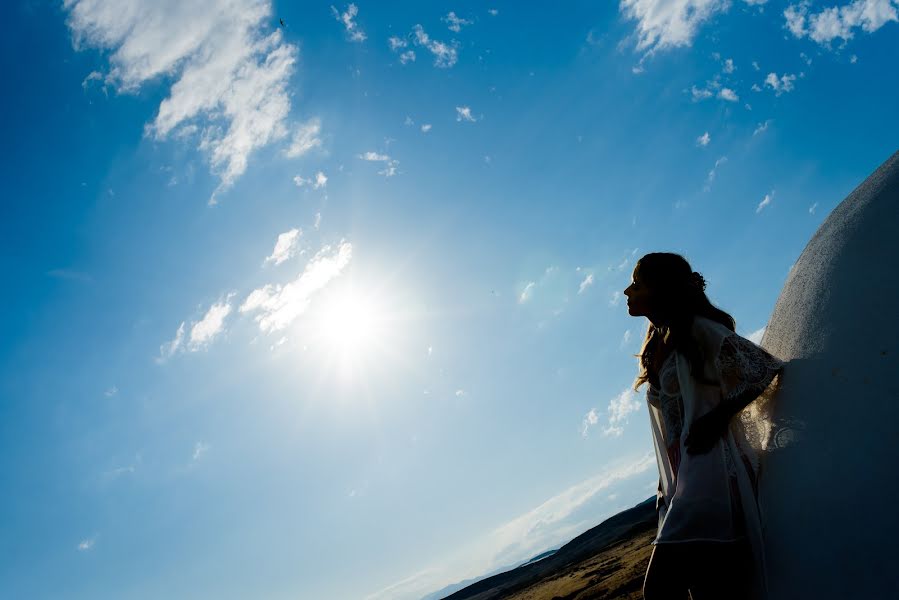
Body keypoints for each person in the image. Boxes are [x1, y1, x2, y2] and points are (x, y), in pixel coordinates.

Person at [623, 252, 785, 600]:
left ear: (661, 289)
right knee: (707, 591)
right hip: (685, 483)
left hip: (710, 479)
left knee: (660, 590)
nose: (627, 291)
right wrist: (667, 484)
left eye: (637, 284)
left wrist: (717, 417)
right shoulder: (662, 341)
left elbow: (762, 367)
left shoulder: (698, 329)